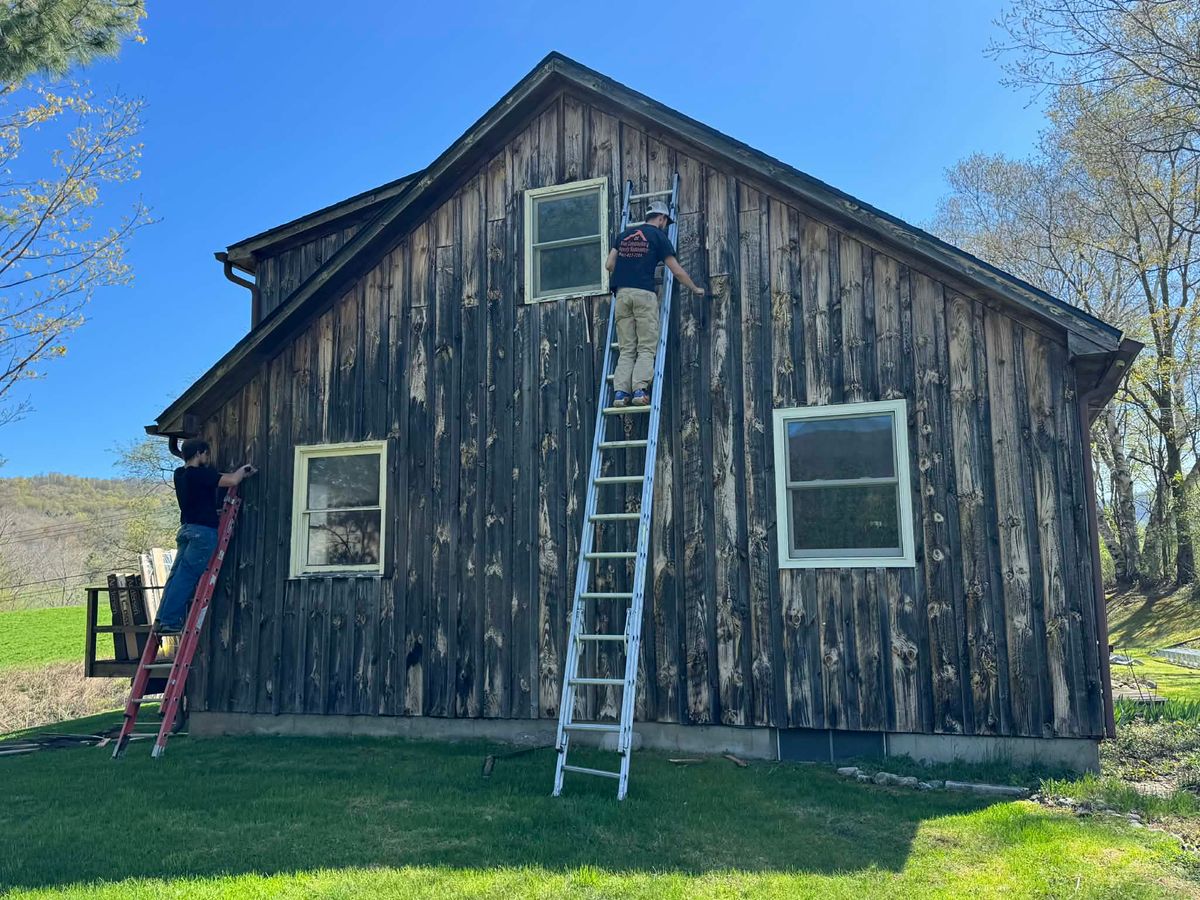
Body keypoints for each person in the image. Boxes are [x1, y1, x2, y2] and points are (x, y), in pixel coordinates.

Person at [605, 199, 705, 407]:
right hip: (643, 294)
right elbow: (676, 271)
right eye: (665, 222)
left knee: (626, 349)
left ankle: (620, 394)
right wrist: (695, 288)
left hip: (622, 295)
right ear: (662, 218)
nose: (664, 225)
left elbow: (609, 264)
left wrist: (628, 269)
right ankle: (639, 390)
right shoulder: (658, 237)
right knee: (646, 347)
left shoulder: (623, 236)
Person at [154, 438, 257, 634]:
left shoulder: (180, 474)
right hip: (202, 532)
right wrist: (244, 470)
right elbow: (232, 480)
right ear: (200, 453)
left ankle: (162, 618)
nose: (208, 457)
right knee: (187, 576)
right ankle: (169, 621)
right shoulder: (201, 474)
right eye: (206, 454)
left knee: (176, 576)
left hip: (186, 529)